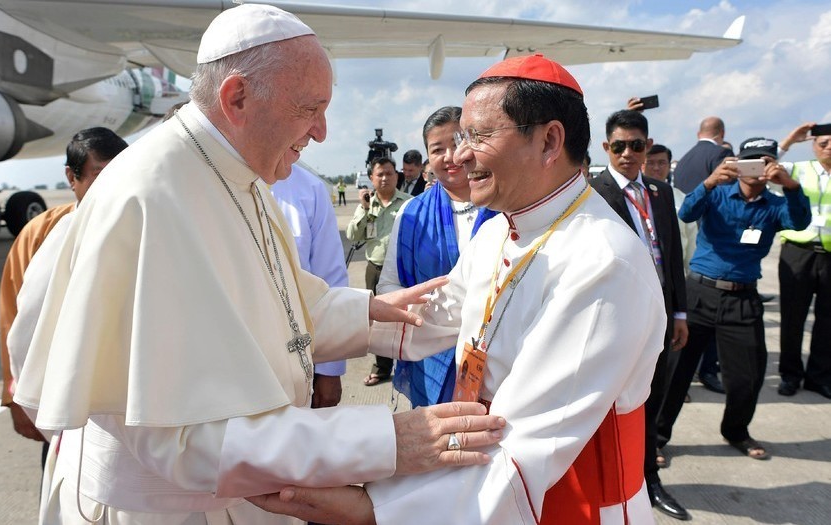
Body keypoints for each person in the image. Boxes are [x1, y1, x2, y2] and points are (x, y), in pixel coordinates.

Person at [12, 5, 504, 523]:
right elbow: (183, 440)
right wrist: (386, 439)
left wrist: (369, 311)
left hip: (245, 491)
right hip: (163, 507)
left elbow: (276, 309)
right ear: (237, 97)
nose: (321, 132)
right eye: (309, 108)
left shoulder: (242, 177)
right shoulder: (150, 199)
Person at [251, 53, 667, 525]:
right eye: (461, 136)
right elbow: (423, 323)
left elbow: (523, 448)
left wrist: (373, 510)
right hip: (478, 478)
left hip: (560, 500)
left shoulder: (601, 261)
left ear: (550, 140)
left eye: (479, 136)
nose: (460, 154)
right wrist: (290, 327)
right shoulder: (499, 230)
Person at [659, 137, 811, 461]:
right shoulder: (716, 193)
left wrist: (792, 186)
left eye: (765, 161)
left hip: (742, 297)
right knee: (676, 371)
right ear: (737, 164)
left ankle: (736, 431)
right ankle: (657, 436)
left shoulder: (774, 204)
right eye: (751, 160)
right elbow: (686, 213)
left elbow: (799, 222)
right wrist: (709, 182)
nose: (757, 167)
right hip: (700, 292)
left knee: (748, 376)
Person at [0, 127, 128, 461]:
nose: (112, 186)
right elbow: (14, 319)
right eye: (99, 175)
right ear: (72, 177)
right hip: (59, 399)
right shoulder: (41, 233)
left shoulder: (141, 226)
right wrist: (14, 396)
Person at [590, 110, 690, 520]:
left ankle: (649, 480)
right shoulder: (592, 192)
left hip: (662, 314)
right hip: (618, 316)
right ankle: (618, 481)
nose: (627, 153)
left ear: (648, 147)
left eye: (636, 145)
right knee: (619, 402)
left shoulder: (660, 191)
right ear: (606, 148)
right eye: (619, 146)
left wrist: (680, 311)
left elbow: (673, 254)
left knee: (653, 398)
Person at [376, 106, 499, 406]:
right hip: (429, 356)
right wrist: (432, 318)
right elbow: (389, 285)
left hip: (497, 358)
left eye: (458, 143)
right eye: (438, 149)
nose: (450, 156)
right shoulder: (411, 214)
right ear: (428, 157)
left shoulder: (505, 207)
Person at [270, 164, 348, 408]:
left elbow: (331, 281)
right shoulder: (203, 179)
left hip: (298, 362)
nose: (317, 135)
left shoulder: (309, 189)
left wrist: (330, 369)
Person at [775, 123, 831, 399]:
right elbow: (764, 165)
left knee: (827, 320)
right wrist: (788, 141)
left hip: (830, 256)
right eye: (823, 143)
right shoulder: (800, 169)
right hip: (799, 252)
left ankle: (818, 377)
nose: (828, 147)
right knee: (793, 318)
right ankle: (790, 374)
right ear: (813, 145)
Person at [347, 157, 412, 386]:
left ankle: (411, 365)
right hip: (374, 269)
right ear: (372, 178)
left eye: (389, 173)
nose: (385, 178)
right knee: (377, 321)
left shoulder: (409, 203)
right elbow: (353, 236)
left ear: (397, 176)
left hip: (403, 270)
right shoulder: (367, 204)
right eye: (379, 174)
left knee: (409, 317)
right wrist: (365, 209)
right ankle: (383, 368)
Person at [673, 116, 733, 194]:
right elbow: (729, 191)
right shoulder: (722, 153)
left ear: (699, 134)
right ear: (722, 133)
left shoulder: (683, 161)